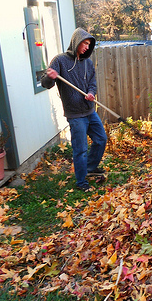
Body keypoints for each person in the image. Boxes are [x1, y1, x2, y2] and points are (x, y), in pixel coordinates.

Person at [41, 28, 107, 191]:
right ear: (76, 41)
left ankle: (90, 167)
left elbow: (92, 82)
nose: (86, 47)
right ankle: (81, 182)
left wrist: (91, 93)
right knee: (80, 149)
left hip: (90, 111)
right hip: (75, 114)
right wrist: (50, 76)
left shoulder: (88, 63)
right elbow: (46, 84)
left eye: (89, 44)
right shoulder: (60, 60)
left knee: (101, 139)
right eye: (84, 43)